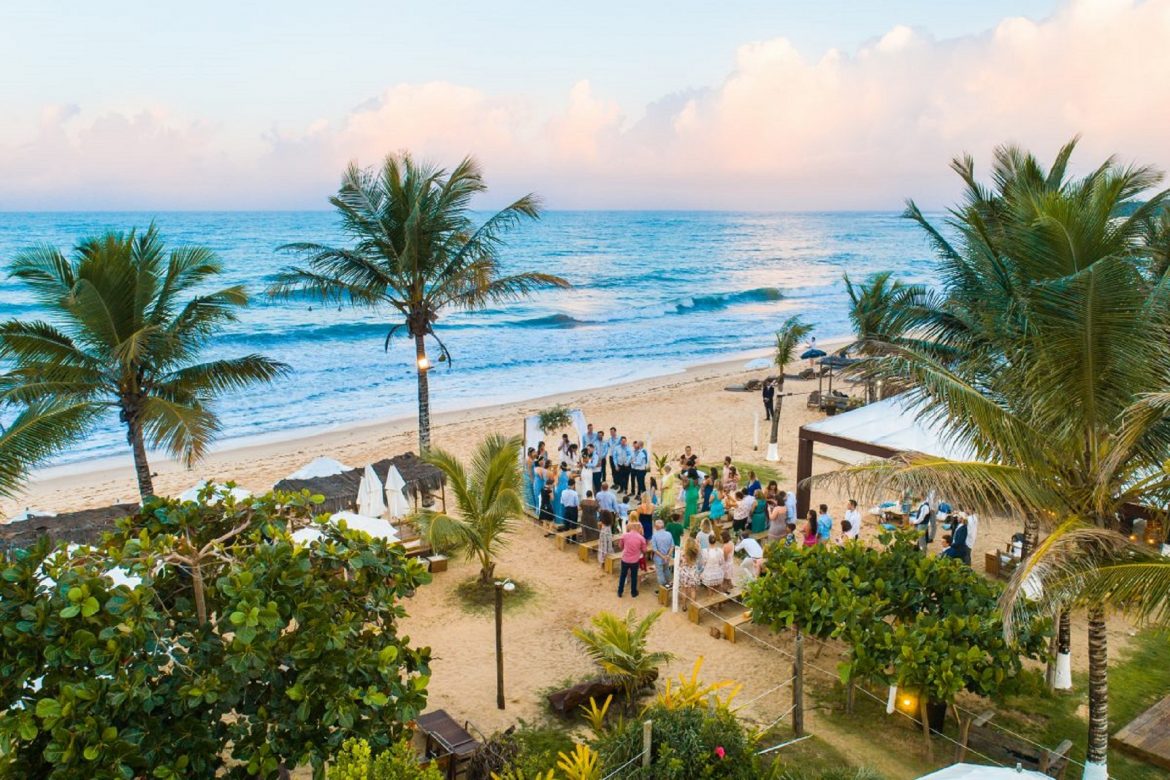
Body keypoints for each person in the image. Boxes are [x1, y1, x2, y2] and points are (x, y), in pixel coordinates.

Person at [617, 520, 647, 598]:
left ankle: (620, 591)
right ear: (639, 528)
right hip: (634, 560)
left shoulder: (625, 535)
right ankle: (633, 592)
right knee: (634, 576)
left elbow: (620, 546)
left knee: (623, 575)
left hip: (625, 559)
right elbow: (644, 550)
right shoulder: (641, 538)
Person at [651, 519, 675, 591]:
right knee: (666, 570)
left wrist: (663, 557)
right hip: (667, 558)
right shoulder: (669, 534)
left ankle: (663, 589)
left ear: (656, 527)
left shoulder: (654, 536)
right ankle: (669, 584)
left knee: (660, 573)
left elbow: (655, 549)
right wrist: (667, 556)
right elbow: (672, 546)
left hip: (659, 558)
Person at [678, 539, 701, 604]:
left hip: (684, 574)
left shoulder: (682, 553)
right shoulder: (696, 552)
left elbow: (679, 563)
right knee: (693, 590)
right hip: (693, 573)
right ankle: (693, 606)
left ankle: (684, 606)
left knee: (684, 590)